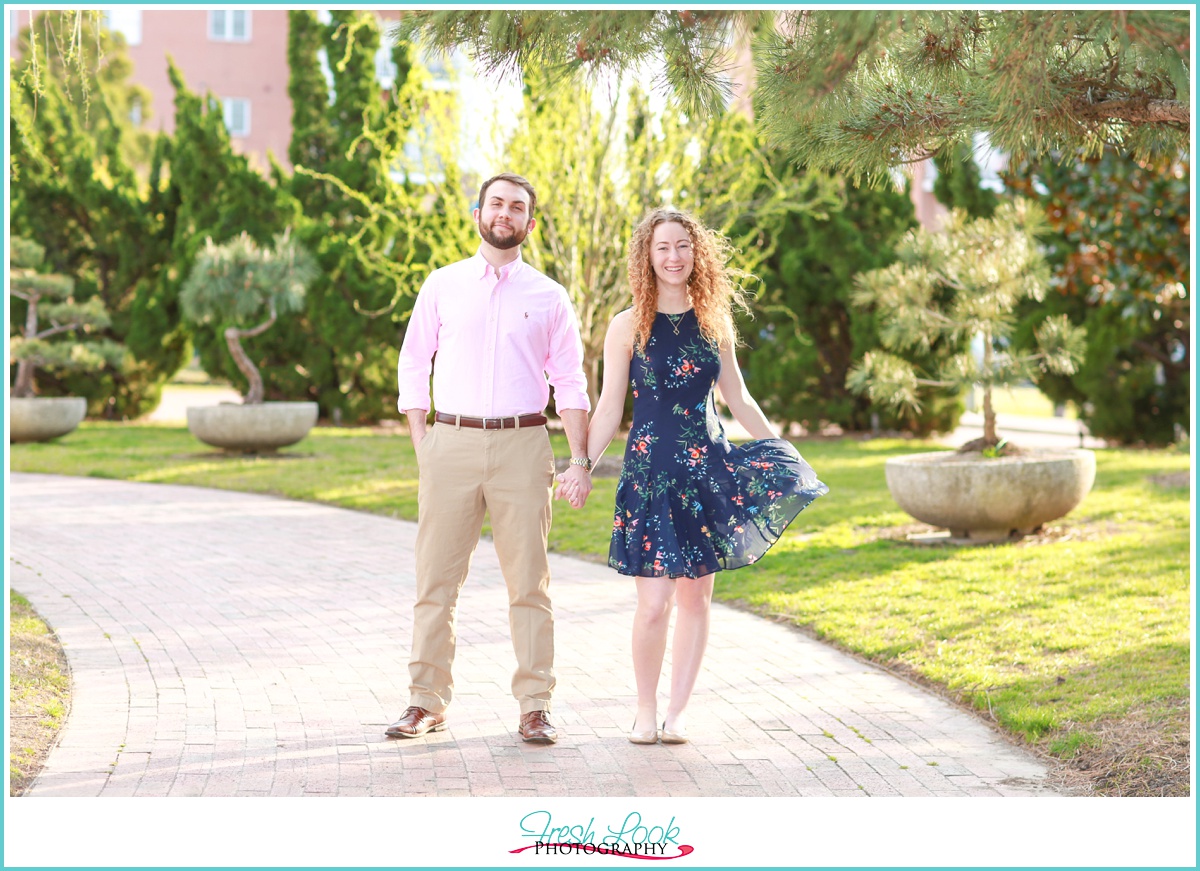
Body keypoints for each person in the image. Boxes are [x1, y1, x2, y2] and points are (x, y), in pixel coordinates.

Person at [558, 207, 828, 745]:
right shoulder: (627, 324)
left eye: (683, 245)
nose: (674, 256)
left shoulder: (714, 322)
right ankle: (643, 709)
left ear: (695, 252)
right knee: (653, 603)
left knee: (695, 599)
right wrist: (581, 463)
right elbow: (610, 407)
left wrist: (780, 447)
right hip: (649, 474)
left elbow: (739, 398)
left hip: (706, 471)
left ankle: (677, 713)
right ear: (647, 255)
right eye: (663, 247)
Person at [388, 172, 593, 745]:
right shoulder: (442, 285)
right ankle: (425, 702)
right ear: (478, 211)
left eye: (517, 206)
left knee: (530, 584)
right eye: (496, 203)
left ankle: (534, 705)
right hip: (448, 444)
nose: (505, 213)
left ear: (531, 223)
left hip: (524, 447)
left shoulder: (549, 296)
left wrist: (580, 459)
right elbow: (412, 361)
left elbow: (571, 381)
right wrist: (421, 441)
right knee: (436, 582)